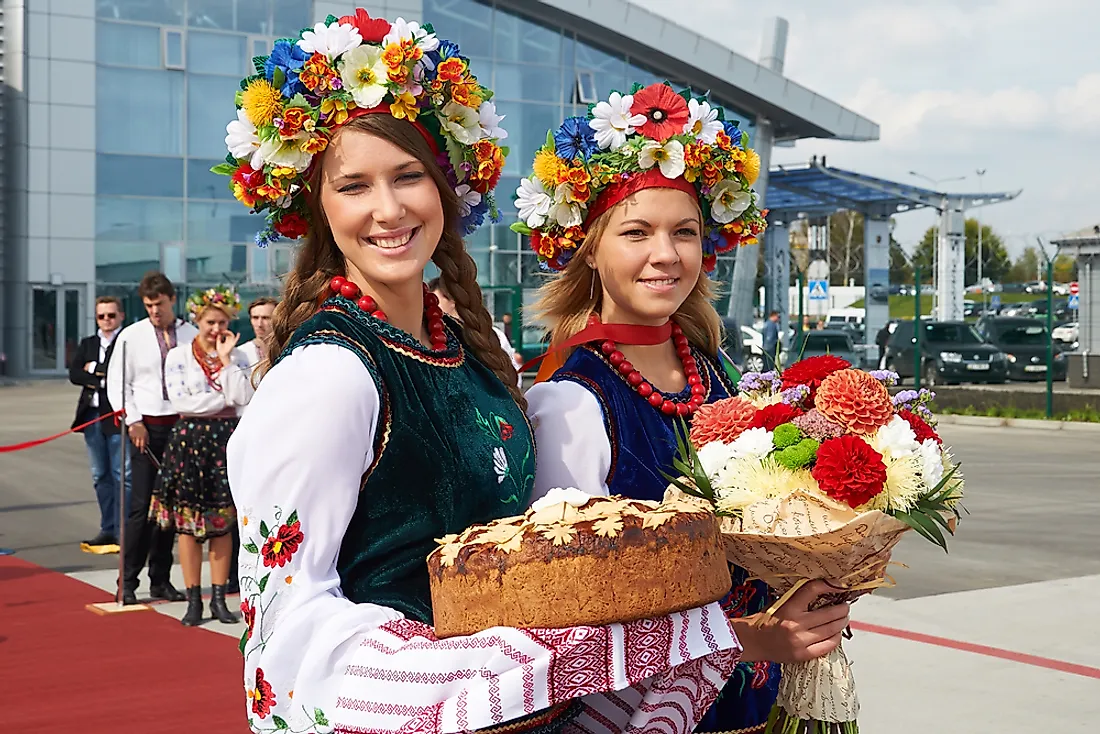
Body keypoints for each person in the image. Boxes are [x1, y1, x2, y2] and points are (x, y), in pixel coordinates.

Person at [221, 12, 739, 733]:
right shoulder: (329, 376)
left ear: (446, 186)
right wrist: (484, 674)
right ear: (314, 205)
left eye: (408, 177)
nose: (389, 208)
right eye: (354, 186)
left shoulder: (464, 348)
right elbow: (285, 625)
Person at [520, 83, 850, 733]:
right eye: (637, 232)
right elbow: (572, 613)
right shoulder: (570, 401)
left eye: (685, 233)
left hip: (756, 708)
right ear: (590, 246)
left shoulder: (719, 373)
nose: (665, 255)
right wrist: (756, 638)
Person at [149, 286, 252, 626]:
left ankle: (219, 599)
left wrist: (225, 363)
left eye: (222, 323)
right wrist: (219, 400)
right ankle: (193, 597)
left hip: (225, 439)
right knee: (188, 525)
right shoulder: (179, 355)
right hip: (189, 440)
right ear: (197, 320)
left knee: (222, 524)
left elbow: (242, 398)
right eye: (210, 322)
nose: (216, 330)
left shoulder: (236, 356)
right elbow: (182, 403)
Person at [107, 272, 195, 605]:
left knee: (170, 508)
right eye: (148, 306)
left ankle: (160, 579)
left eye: (159, 304)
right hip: (145, 427)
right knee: (140, 507)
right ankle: (127, 581)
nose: (154, 311)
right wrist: (133, 420)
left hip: (182, 428)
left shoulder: (191, 334)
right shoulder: (131, 336)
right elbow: (118, 383)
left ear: (172, 299)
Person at [69, 296, 129, 550]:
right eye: (101, 316)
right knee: (100, 475)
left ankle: (124, 530)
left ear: (121, 316)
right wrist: (100, 376)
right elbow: (75, 373)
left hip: (115, 417)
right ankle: (107, 528)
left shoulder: (126, 342)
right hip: (92, 417)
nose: (106, 320)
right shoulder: (88, 343)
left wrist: (95, 369)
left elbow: (122, 372)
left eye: (111, 316)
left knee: (121, 475)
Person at [428, 276, 520, 385]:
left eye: (435, 301)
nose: (429, 307)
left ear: (453, 300)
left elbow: (513, 379)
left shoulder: (492, 336)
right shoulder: (428, 336)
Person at [238, 296, 277, 371]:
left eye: (265, 318)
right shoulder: (241, 352)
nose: (259, 324)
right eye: (255, 318)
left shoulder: (286, 349)